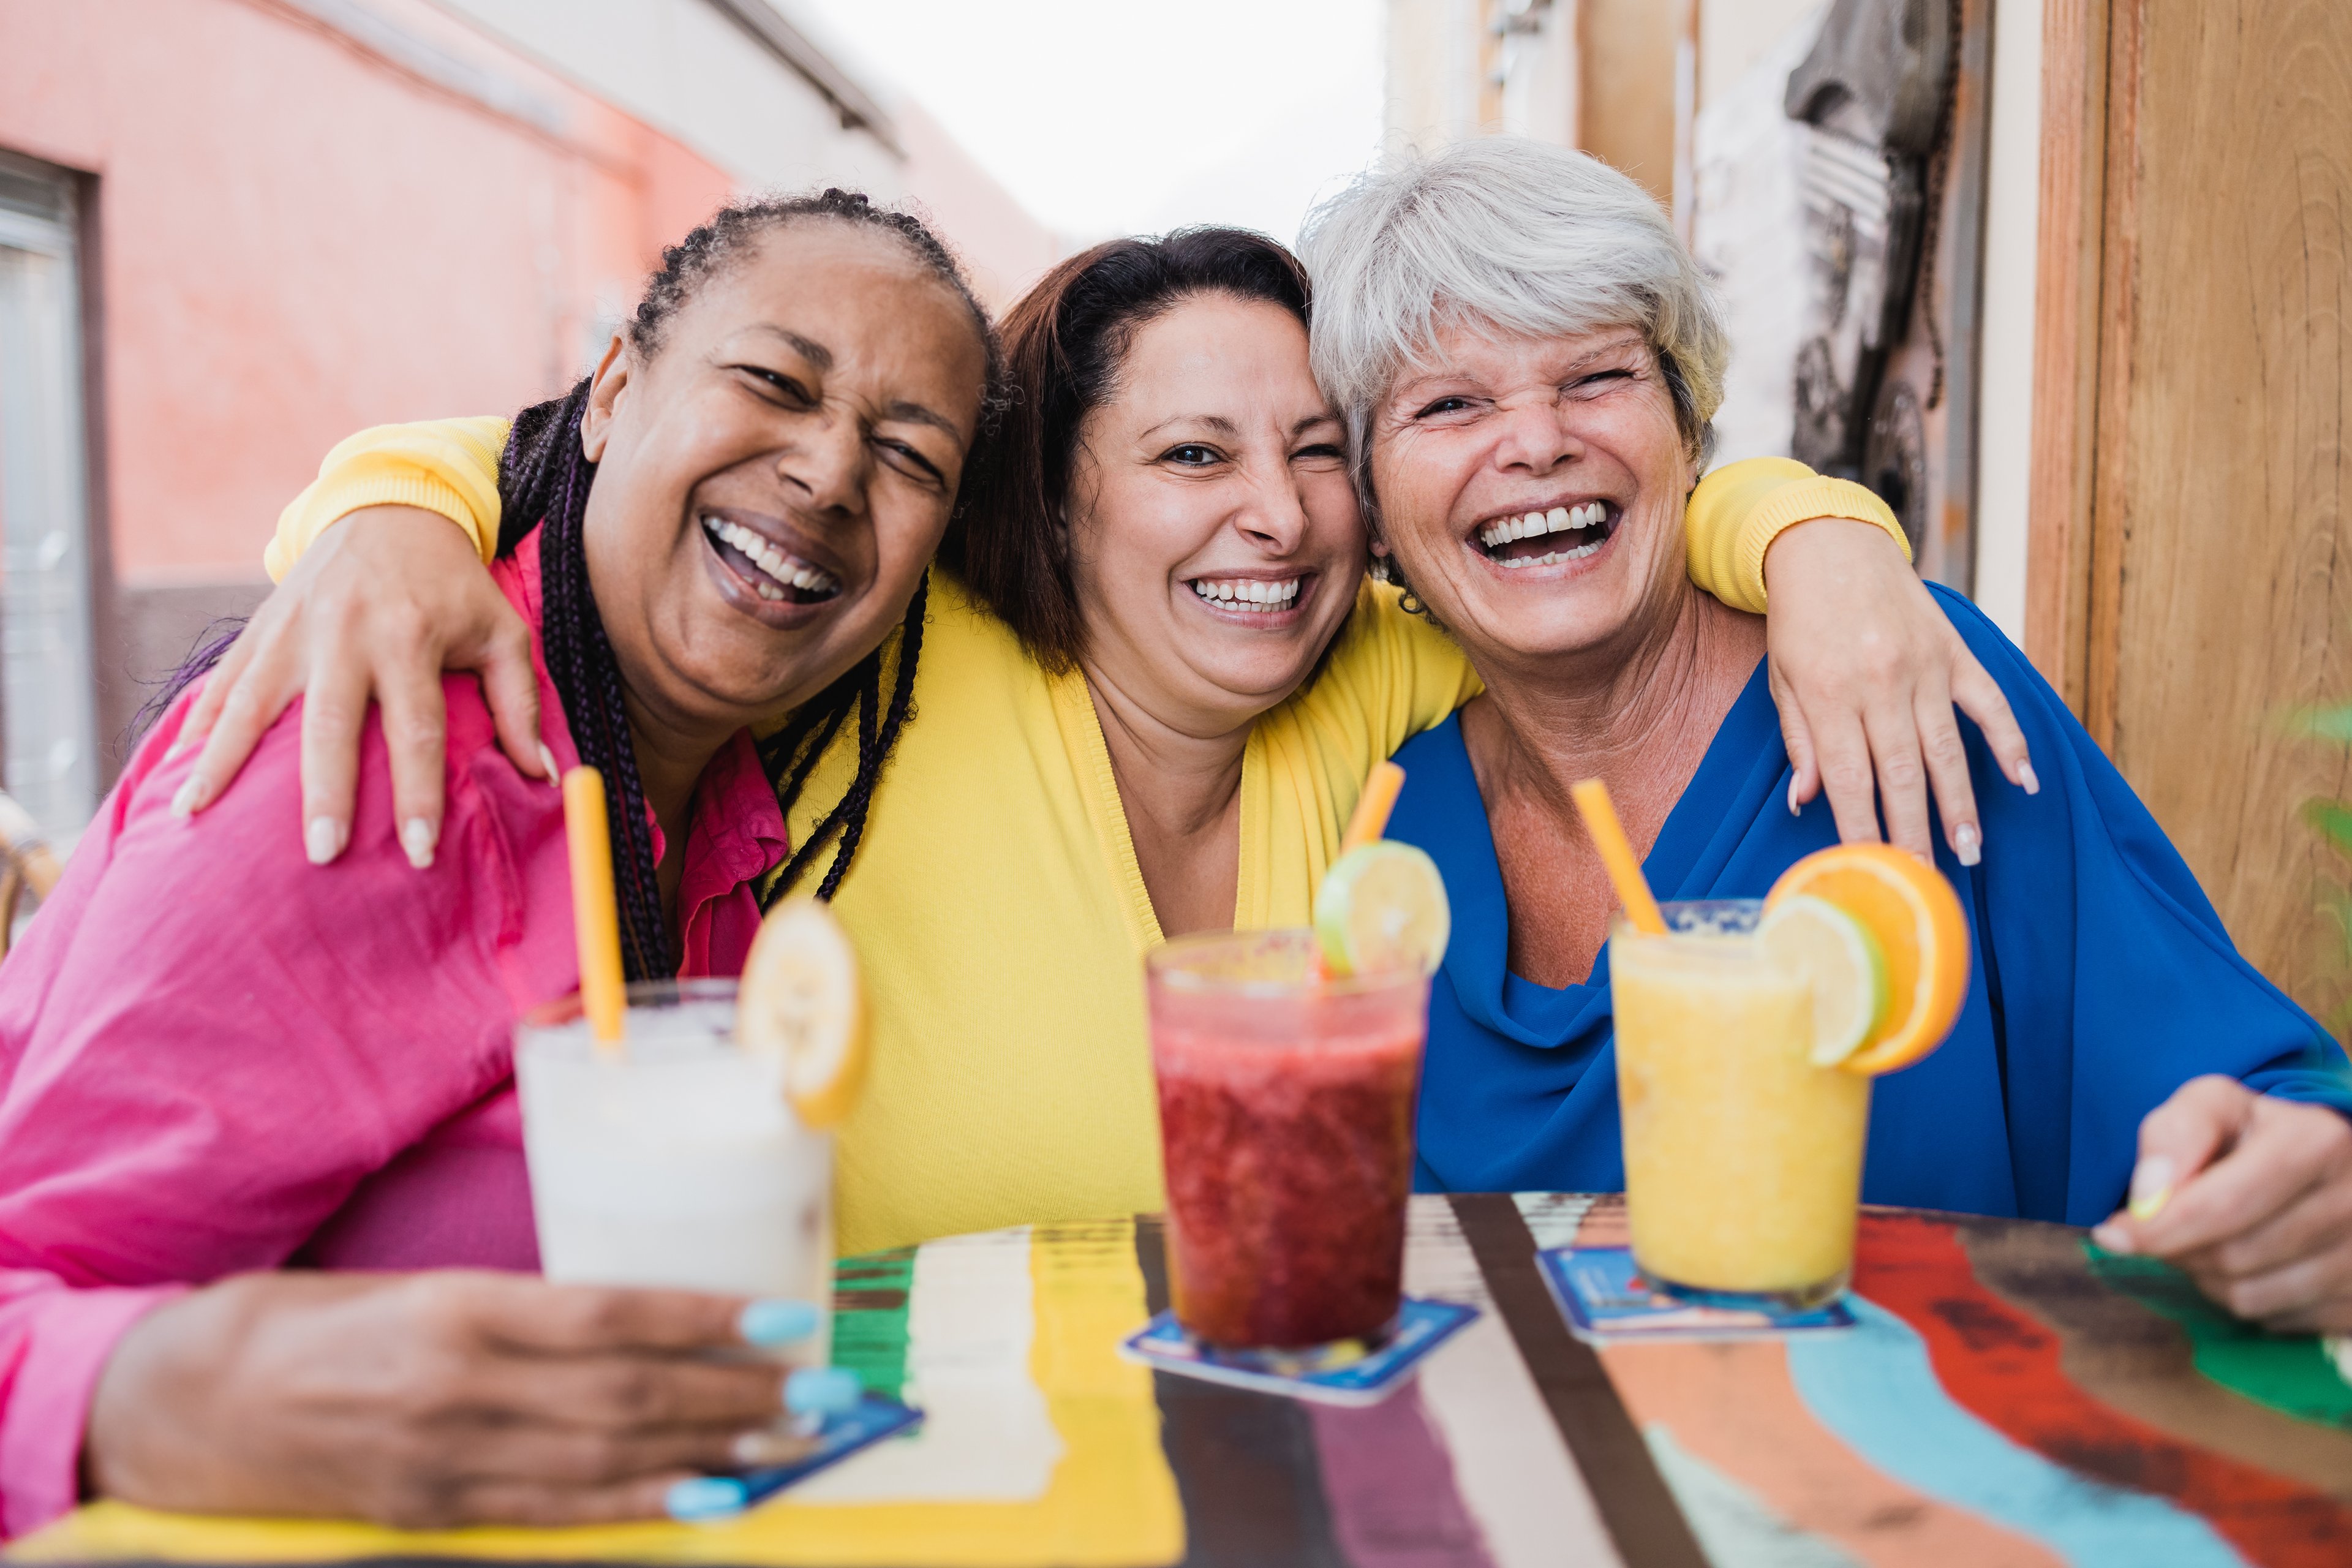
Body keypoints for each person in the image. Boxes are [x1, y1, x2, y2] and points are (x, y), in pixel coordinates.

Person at [195, 230, 2032, 1256]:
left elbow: (1604, 539)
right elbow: (608, 477)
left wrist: (1825, 541)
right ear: (1053, 508)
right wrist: (385, 516)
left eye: (1319, 453)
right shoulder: (904, 645)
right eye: (1191, 458)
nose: (1281, 518)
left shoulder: (1370, 676)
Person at [0, 192, 996, 1532]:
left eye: (909, 455)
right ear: (611, 393)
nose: (828, 474)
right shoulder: (379, 748)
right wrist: (172, 1390)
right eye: (772, 381)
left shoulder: (737, 812)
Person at [1298, 138, 2352, 1332]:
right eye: (1451, 404)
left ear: (1690, 436)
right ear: (1374, 513)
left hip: (1937, 1477)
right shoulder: (1392, 844)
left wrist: (2296, 1178)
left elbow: (2231, 1075)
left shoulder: (1898, 684)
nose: (1536, 442)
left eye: (1597, 378)